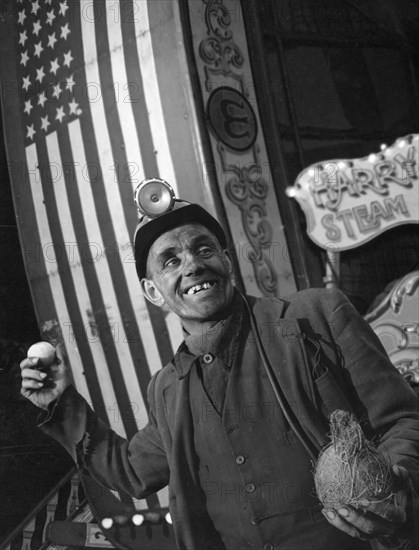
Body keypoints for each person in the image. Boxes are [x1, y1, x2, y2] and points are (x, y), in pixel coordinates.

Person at [20, 184, 419, 550]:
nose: (192, 264)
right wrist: (62, 402)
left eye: (204, 249)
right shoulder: (166, 389)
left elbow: (403, 419)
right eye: (170, 261)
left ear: (226, 260)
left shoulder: (317, 315)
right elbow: (132, 473)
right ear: (153, 291)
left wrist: (397, 482)